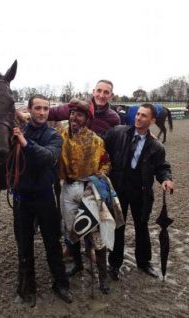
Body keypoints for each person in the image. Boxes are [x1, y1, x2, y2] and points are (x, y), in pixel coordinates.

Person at [12, 94, 72, 307]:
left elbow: (47, 158)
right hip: (21, 200)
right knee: (24, 246)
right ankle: (27, 285)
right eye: (37, 108)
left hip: (46, 198)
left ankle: (61, 283)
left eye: (45, 108)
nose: (42, 112)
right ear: (29, 110)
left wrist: (24, 143)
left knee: (52, 244)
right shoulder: (16, 134)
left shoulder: (54, 136)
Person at [104, 103, 174, 280]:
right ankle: (114, 264)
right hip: (119, 188)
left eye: (143, 116)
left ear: (152, 120)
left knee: (141, 227)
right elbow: (101, 144)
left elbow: (162, 167)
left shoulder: (156, 147)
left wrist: (166, 178)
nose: (138, 118)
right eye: (138, 114)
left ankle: (144, 262)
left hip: (141, 191)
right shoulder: (118, 132)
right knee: (118, 227)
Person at [58, 98, 111, 294]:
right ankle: (78, 264)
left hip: (90, 190)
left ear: (87, 118)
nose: (74, 117)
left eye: (79, 114)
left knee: (96, 235)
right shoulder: (60, 135)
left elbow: (105, 163)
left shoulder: (97, 140)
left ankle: (103, 277)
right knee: (72, 231)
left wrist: (100, 175)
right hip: (68, 189)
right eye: (72, 113)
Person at [16, 79, 121, 137]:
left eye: (106, 92)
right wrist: (28, 115)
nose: (101, 95)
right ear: (94, 92)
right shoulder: (78, 107)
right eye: (99, 91)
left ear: (111, 95)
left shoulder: (114, 118)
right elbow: (53, 112)